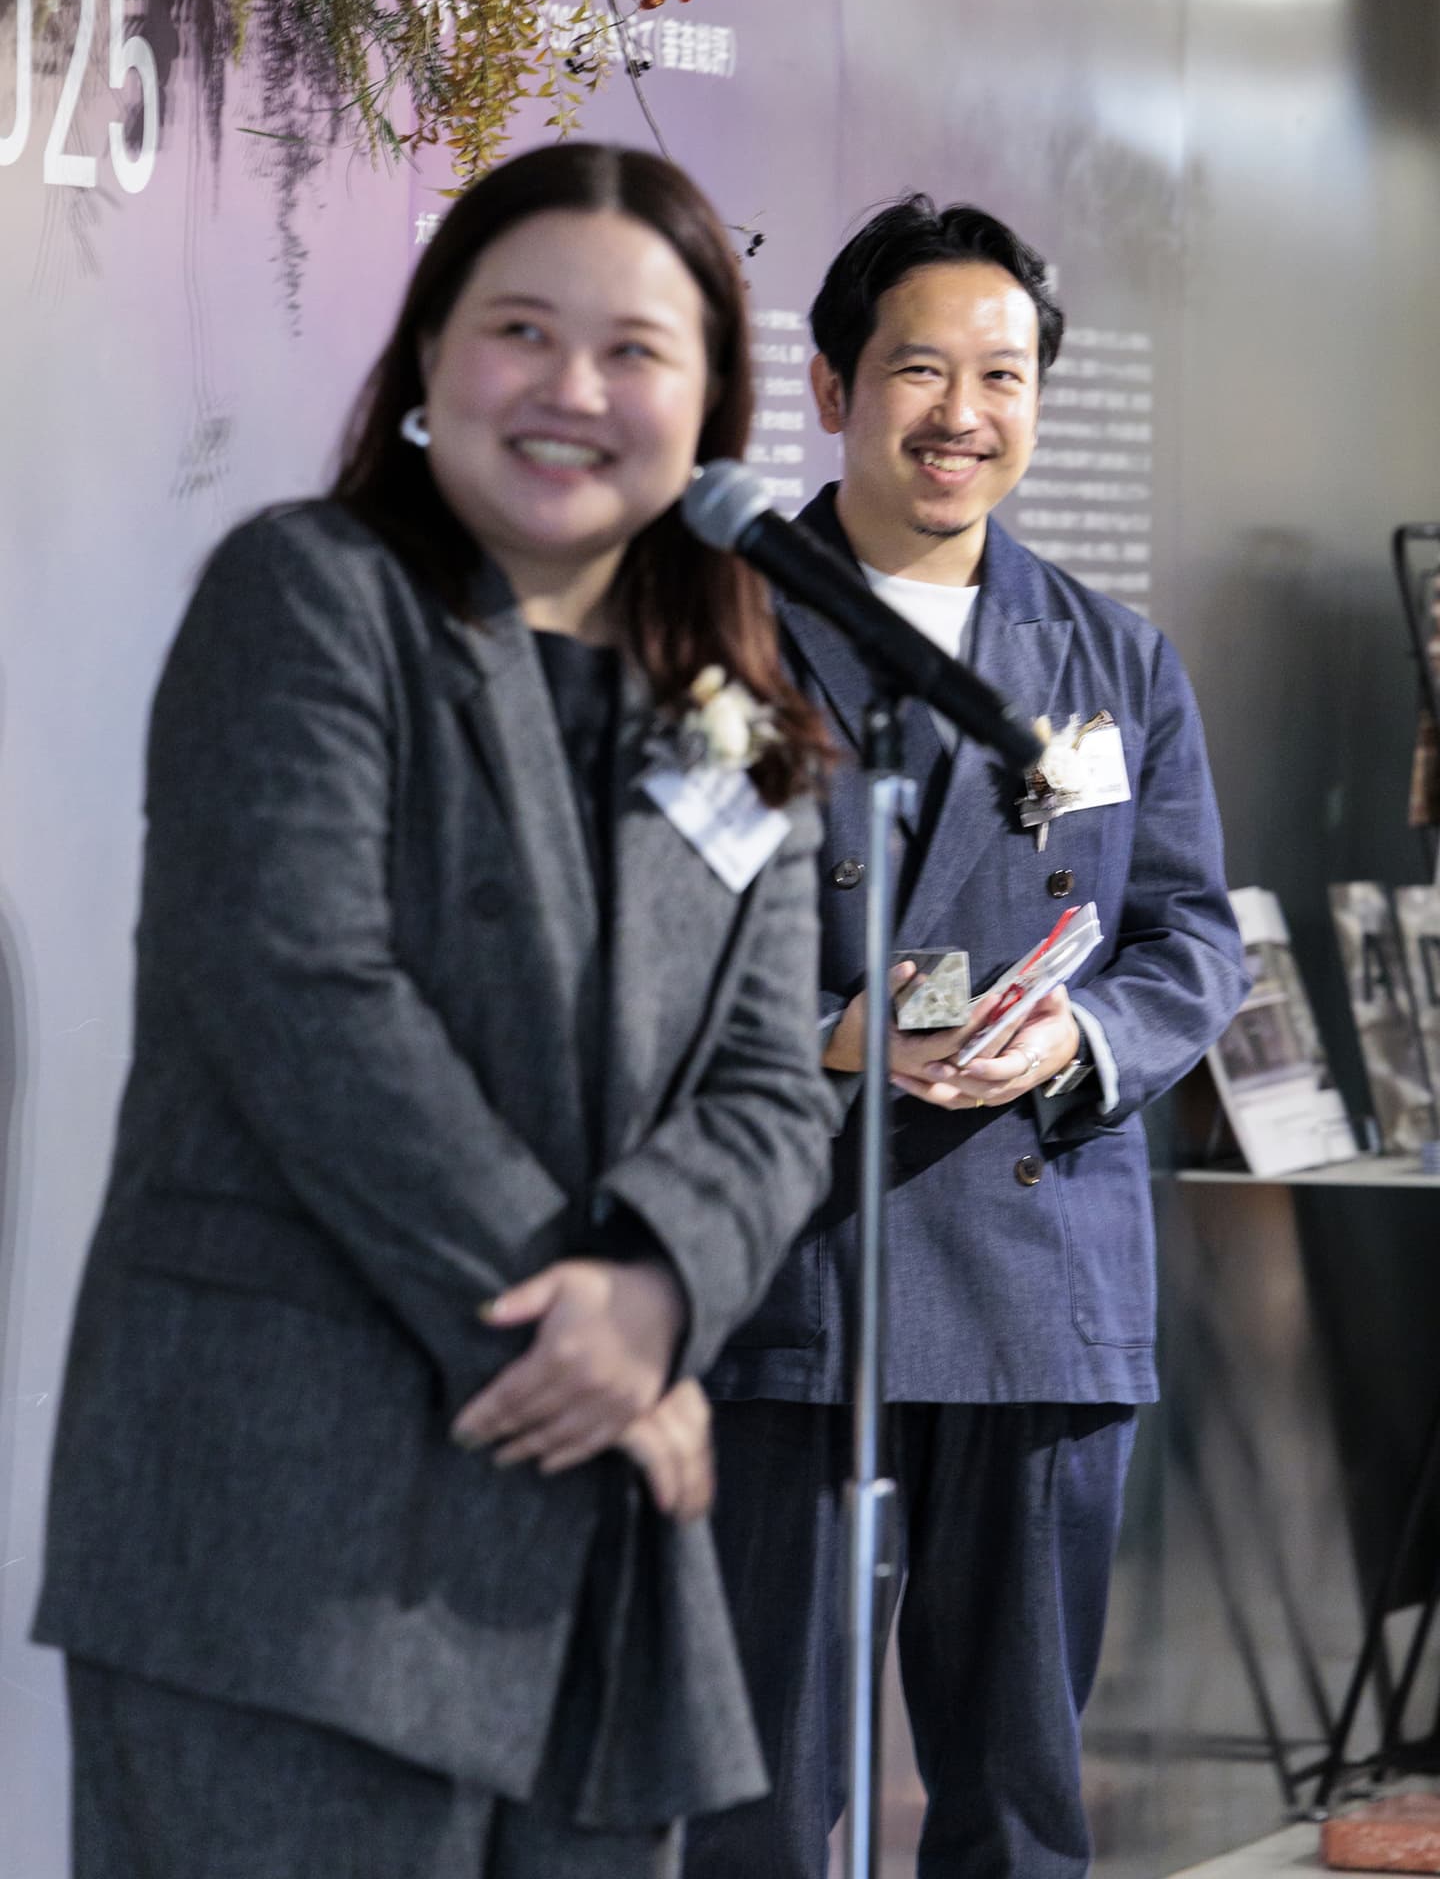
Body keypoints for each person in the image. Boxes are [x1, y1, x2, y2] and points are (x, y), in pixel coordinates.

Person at [32, 142, 838, 1879]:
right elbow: (303, 994)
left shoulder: (735, 702)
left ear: (712, 406)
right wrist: (586, 1339)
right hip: (289, 1540)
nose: (572, 389)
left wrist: (661, 1287)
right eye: (519, 330)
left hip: (595, 1567)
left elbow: (778, 1084)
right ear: (425, 357)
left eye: (634, 349)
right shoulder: (309, 593)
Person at [684, 199, 1250, 1878]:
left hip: (1040, 1280)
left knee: (1017, 1804)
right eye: (920, 369)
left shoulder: (1110, 656)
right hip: (794, 1274)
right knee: (760, 1804)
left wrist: (1074, 1036)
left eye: (1003, 376)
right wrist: (825, 1033)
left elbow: (1192, 937)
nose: (963, 413)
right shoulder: (711, 628)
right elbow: (630, 938)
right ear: (829, 385)